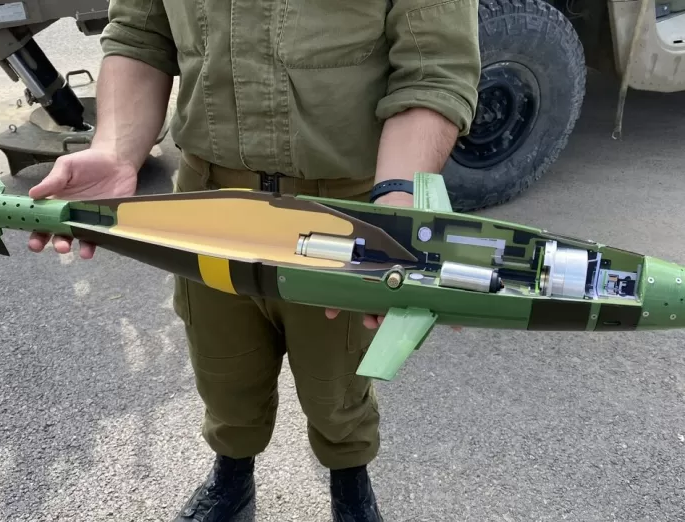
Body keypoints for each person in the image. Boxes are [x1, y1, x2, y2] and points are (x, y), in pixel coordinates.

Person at [27, 0, 481, 520]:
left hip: (342, 212)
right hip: (206, 207)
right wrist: (114, 149)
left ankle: (350, 480)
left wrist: (397, 205)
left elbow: (433, 70)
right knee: (223, 368)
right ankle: (232, 479)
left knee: (337, 376)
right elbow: (140, 36)